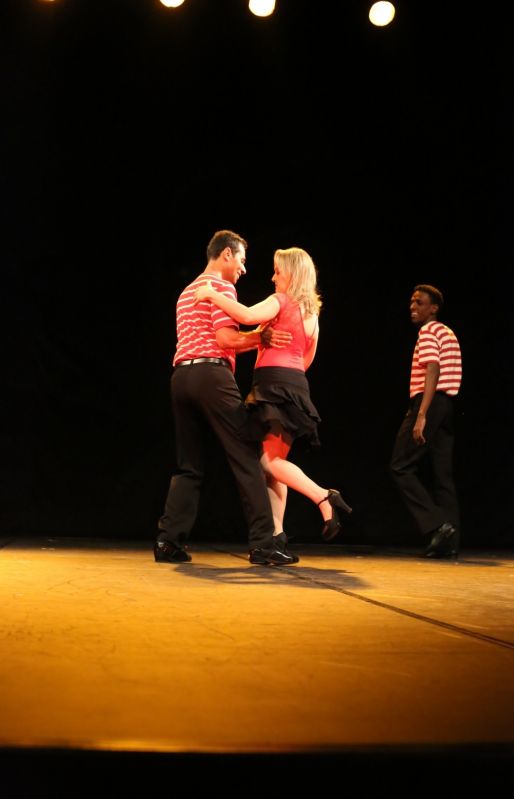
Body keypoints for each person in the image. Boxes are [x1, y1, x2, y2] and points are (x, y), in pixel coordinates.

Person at [194, 246, 352, 559]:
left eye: (278, 271)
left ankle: (324, 497)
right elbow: (307, 359)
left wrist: (211, 295)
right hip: (293, 386)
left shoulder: (280, 301)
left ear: (292, 274)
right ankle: (276, 537)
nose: (273, 276)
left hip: (274, 387)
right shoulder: (312, 315)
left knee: (269, 464)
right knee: (272, 466)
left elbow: (247, 315)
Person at [154, 230, 297, 567]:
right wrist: (261, 338)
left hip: (181, 377)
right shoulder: (221, 287)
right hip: (210, 374)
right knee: (246, 454)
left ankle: (168, 540)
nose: (244, 270)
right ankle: (264, 543)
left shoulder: (186, 291)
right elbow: (224, 338)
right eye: (243, 261)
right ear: (227, 255)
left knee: (188, 465)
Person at [390, 284, 462, 559]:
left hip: (429, 402)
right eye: (411, 302)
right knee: (443, 475)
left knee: (400, 465)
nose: (413, 307)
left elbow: (433, 368)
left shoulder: (430, 331)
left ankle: (436, 525)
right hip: (447, 405)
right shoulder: (448, 333)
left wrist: (421, 414)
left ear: (433, 309)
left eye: (419, 303)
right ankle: (450, 543)